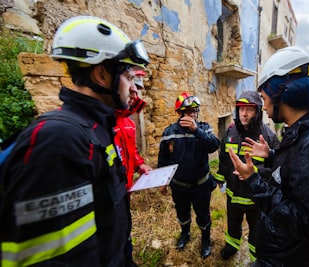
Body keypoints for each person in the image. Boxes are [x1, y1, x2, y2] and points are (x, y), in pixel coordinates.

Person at [0, 16, 150, 266]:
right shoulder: (59, 140)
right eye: (128, 76)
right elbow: (55, 257)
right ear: (101, 74)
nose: (132, 87)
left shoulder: (98, 129)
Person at [227, 46, 309, 267]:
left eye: (263, 97)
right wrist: (271, 155)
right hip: (280, 253)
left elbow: (304, 222)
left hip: (286, 260)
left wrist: (253, 180)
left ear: (282, 92)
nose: (264, 106)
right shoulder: (305, 133)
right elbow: (297, 173)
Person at [215, 90, 279, 262]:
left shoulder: (267, 137)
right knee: (233, 223)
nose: (244, 113)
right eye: (241, 108)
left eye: (249, 109)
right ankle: (232, 245)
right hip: (233, 194)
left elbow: (277, 169)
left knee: (257, 229)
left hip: (256, 197)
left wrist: (255, 174)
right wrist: (221, 178)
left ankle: (255, 255)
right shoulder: (230, 132)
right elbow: (223, 157)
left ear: (258, 111)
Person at [157, 92, 220, 259]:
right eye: (188, 111)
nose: (192, 114)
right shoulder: (169, 132)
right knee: (182, 213)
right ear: (179, 113)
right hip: (179, 185)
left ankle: (205, 240)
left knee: (203, 215)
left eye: (194, 110)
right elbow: (163, 158)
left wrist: (196, 130)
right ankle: (185, 234)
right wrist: (163, 181)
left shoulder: (204, 128)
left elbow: (214, 146)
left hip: (201, 185)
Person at [114, 68, 152, 193]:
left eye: (136, 91)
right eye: (130, 91)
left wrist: (139, 165)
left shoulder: (128, 122)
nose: (134, 95)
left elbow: (130, 150)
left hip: (126, 189)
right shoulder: (101, 122)